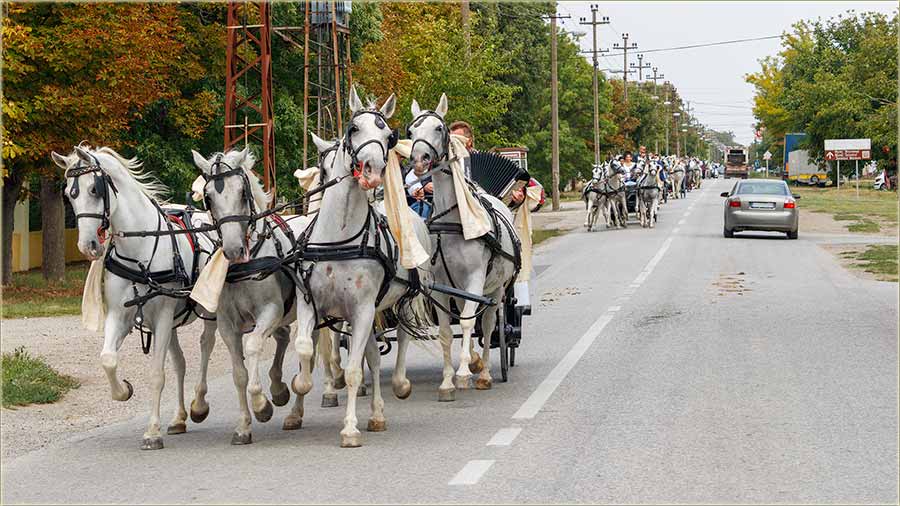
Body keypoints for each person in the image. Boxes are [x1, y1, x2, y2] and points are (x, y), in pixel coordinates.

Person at [450, 120, 528, 206]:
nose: (453, 144)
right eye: (451, 141)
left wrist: (517, 200)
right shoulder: (446, 162)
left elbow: (509, 197)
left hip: (487, 213)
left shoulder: (487, 161)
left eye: (457, 140)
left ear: (469, 141)